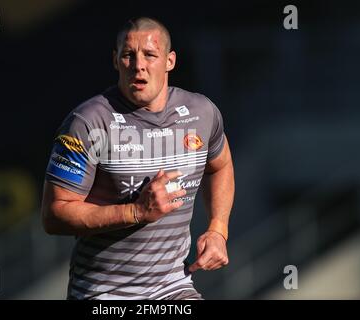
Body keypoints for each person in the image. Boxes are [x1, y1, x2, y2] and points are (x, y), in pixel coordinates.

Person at [41, 17, 235, 300]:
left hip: (173, 287)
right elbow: (54, 215)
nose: (138, 65)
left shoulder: (202, 113)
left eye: (150, 55)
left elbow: (221, 166)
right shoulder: (87, 122)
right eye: (128, 55)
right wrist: (136, 212)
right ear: (115, 60)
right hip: (104, 293)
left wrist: (218, 229)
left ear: (170, 61)